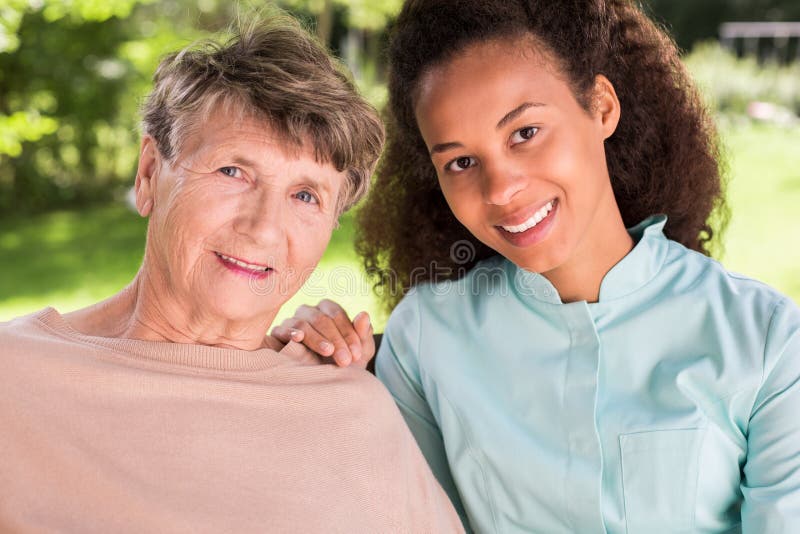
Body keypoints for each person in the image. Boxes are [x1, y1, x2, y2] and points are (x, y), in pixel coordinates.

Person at [272, 0, 800, 531]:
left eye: (525, 133)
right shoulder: (424, 340)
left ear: (601, 107)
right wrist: (326, 382)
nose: (501, 190)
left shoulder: (766, 341)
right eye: (461, 162)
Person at [0, 14, 464, 533]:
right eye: (233, 171)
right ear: (150, 173)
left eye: (305, 195)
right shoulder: (13, 380)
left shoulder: (352, 410)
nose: (264, 229)